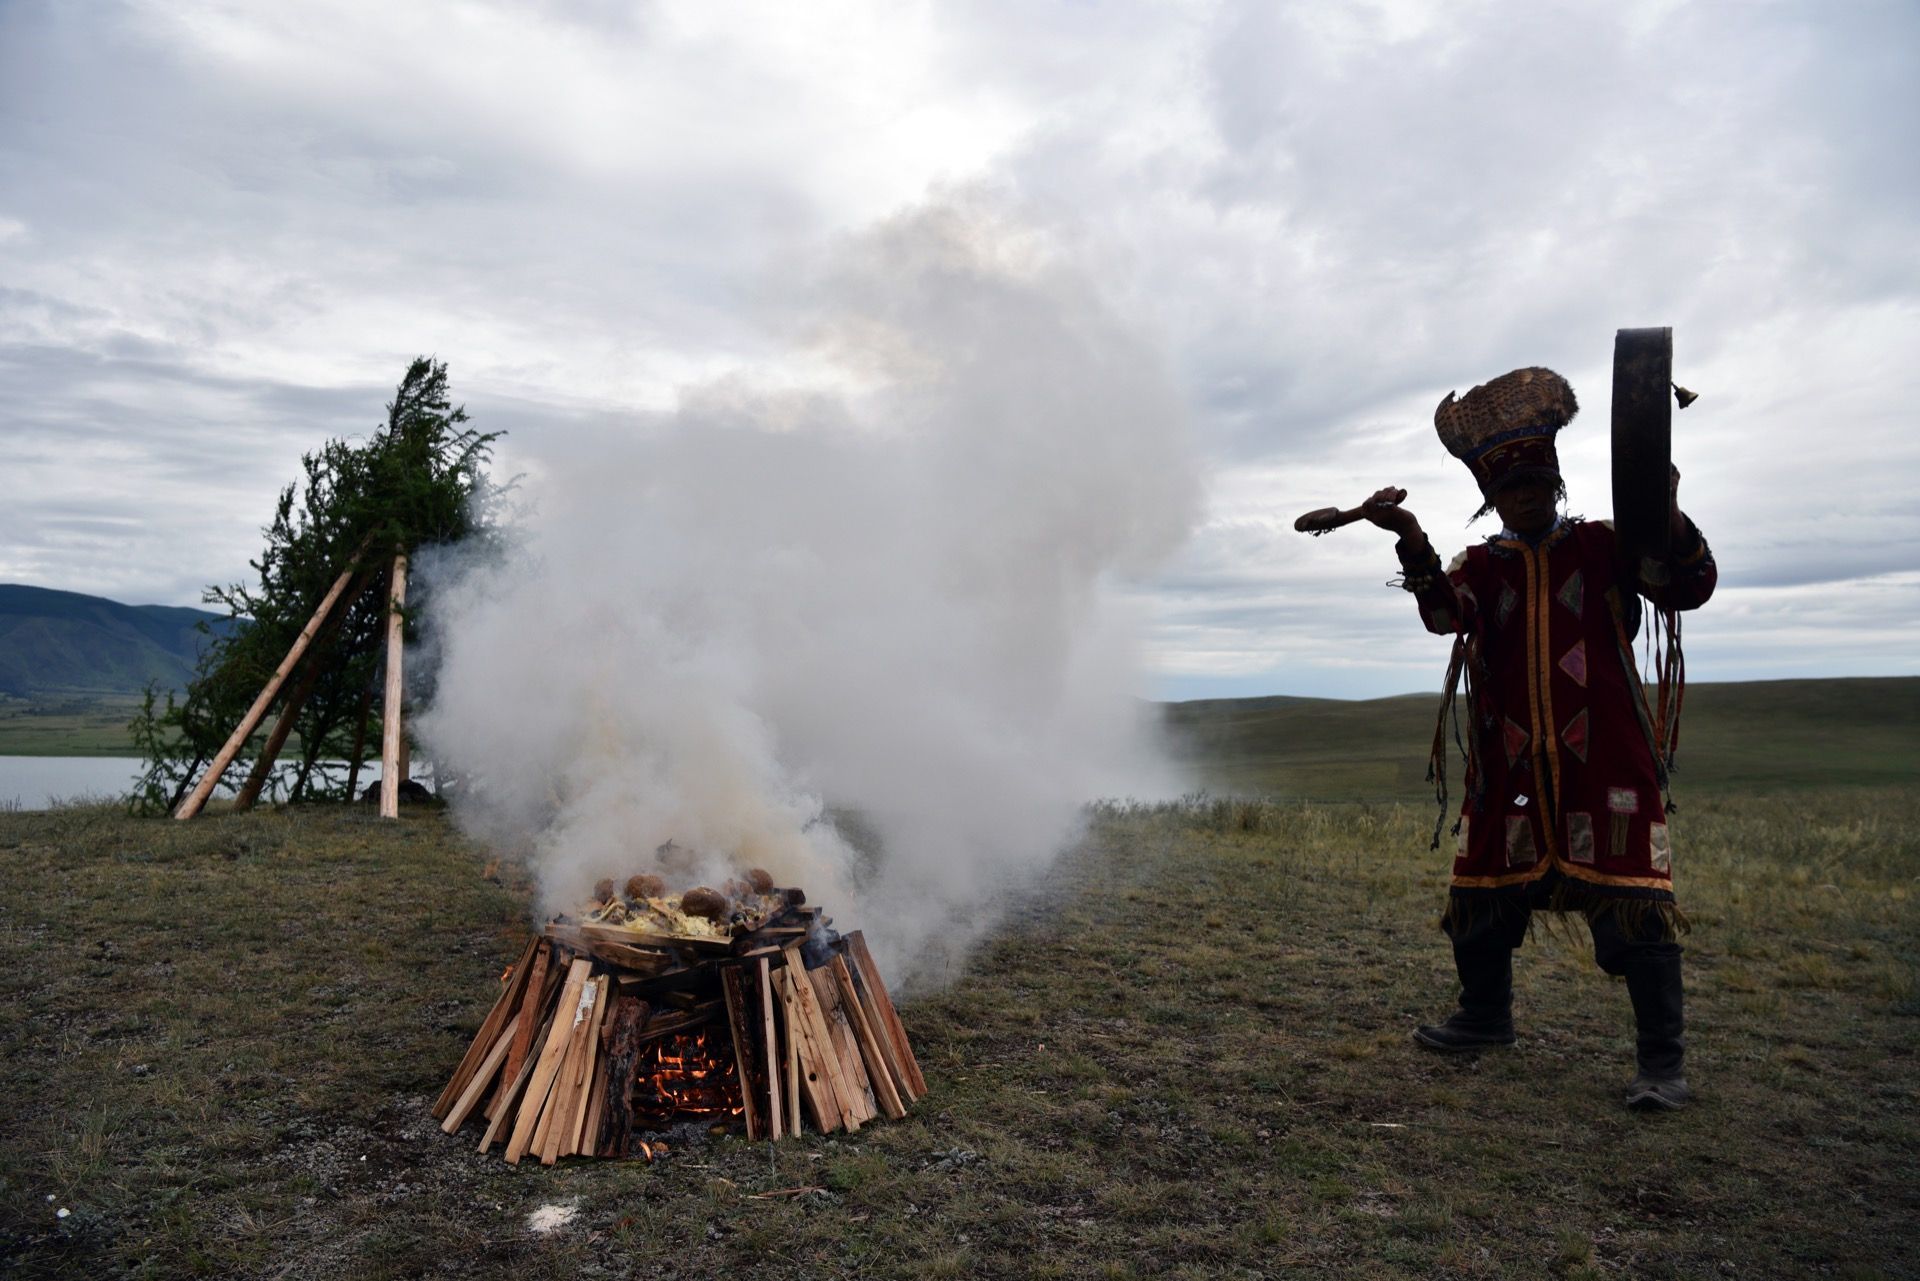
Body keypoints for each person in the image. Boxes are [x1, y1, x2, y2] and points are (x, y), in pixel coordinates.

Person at [1359, 366, 1716, 1110]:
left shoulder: (1605, 545)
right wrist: (1411, 537)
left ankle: (1662, 1064)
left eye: (1535, 484)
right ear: (1492, 498)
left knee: (1636, 911)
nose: (1524, 496)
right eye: (1510, 489)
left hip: (1606, 761)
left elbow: (1689, 584)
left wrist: (1666, 509)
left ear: (1555, 483)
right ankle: (1484, 1018)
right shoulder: (1481, 565)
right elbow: (1442, 615)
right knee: (1482, 896)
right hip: (1509, 762)